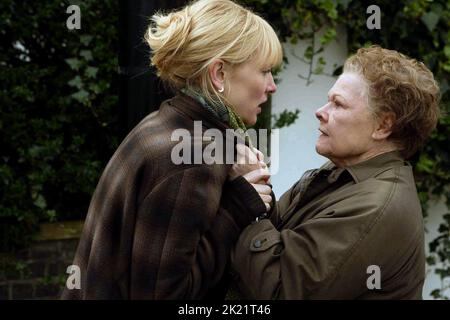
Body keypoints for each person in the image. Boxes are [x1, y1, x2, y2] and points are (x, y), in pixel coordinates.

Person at [61, 0, 280, 299]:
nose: (272, 86)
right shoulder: (192, 158)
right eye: (265, 71)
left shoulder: (166, 123)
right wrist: (238, 207)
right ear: (219, 74)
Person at [229, 46, 441, 299]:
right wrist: (257, 185)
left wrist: (247, 202)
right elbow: (277, 236)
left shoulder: (376, 206)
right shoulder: (340, 173)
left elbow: (281, 288)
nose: (320, 111)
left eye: (338, 104)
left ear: (383, 125)